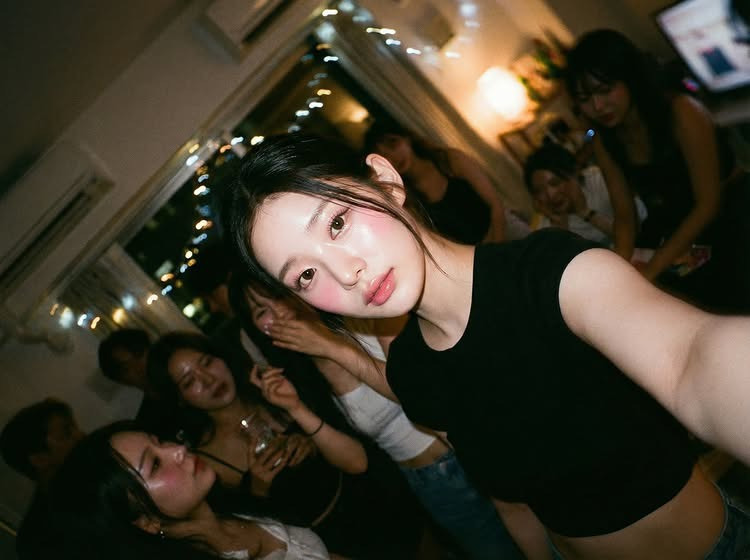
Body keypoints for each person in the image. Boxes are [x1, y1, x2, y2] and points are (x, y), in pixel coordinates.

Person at [225, 132, 750, 559]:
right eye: (306, 275)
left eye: (337, 223)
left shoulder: (547, 274)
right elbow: (514, 504)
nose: (346, 273)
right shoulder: (412, 372)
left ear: (384, 179)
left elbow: (691, 360)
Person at [233, 279, 526, 560]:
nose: (278, 311)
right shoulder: (301, 379)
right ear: (258, 329)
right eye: (261, 311)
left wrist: (330, 347)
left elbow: (417, 391)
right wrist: (296, 408)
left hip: (472, 438)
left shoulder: (359, 314)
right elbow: (356, 462)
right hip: (434, 482)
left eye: (278, 295)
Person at [147, 332, 424, 559]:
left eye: (207, 362)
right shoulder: (204, 463)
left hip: (377, 498)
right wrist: (259, 488)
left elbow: (354, 444)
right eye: (189, 381)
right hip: (330, 543)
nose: (208, 380)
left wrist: (310, 441)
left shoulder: (272, 392)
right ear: (180, 398)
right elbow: (248, 535)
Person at [564, 29, 750, 312]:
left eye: (605, 90)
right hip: (677, 222)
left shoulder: (681, 110)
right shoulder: (603, 138)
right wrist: (622, 271)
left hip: (729, 208)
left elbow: (708, 203)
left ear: (629, 78)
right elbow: (625, 216)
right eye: (584, 99)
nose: (597, 106)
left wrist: (652, 269)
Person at [48, 421, 336, 560]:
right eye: (155, 464)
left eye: (160, 441)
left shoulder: (237, 507)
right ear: (146, 521)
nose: (178, 449)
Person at [363, 121, 508, 245]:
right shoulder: (408, 200)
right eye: (385, 156)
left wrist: (497, 247)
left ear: (407, 139)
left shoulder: (449, 160)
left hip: (503, 227)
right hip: (476, 254)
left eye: (393, 144)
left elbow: (495, 204)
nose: (394, 157)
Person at [0, 398, 85, 559]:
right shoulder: (38, 538)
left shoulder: (91, 480)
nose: (81, 435)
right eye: (67, 433)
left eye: (75, 427)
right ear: (39, 459)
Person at [523, 141, 647, 246]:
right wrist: (560, 227)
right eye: (539, 191)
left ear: (574, 174)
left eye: (555, 183)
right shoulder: (545, 229)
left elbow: (637, 233)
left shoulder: (600, 180)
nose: (550, 195)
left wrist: (585, 212)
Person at [98, 329, 179, 437]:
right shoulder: (149, 423)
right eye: (127, 368)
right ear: (122, 380)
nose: (138, 367)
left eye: (139, 355)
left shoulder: (187, 379)